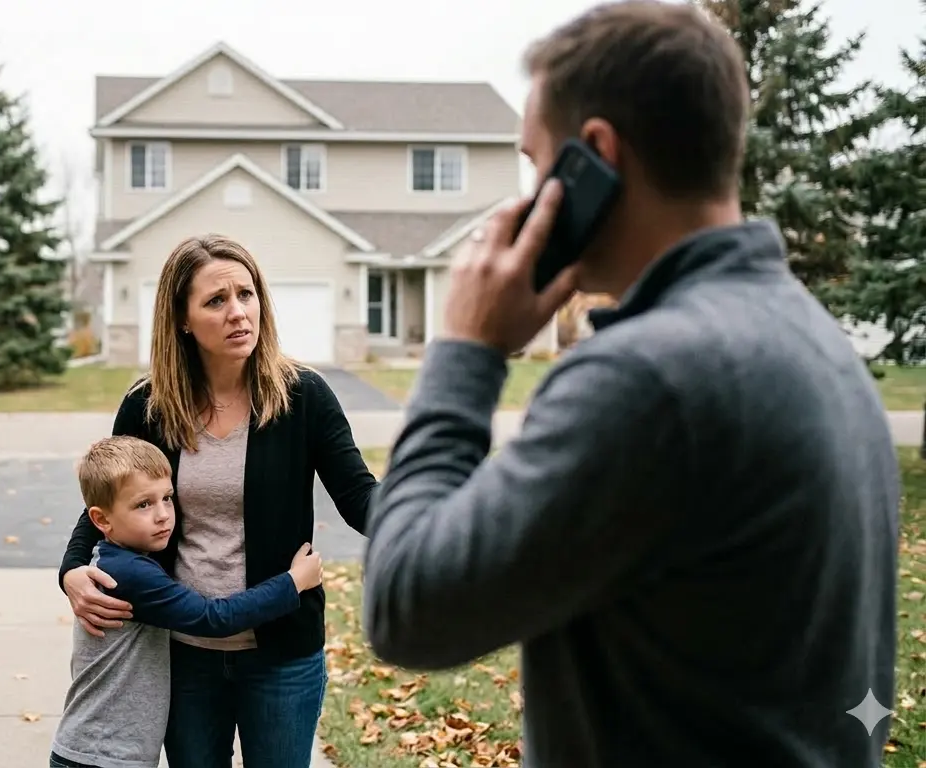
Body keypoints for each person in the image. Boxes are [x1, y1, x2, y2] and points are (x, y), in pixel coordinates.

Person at [361, 1, 900, 766]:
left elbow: (406, 604)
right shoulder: (813, 340)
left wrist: (465, 347)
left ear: (596, 159)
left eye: (534, 161)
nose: (525, 197)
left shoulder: (649, 379)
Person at [58, 234, 377, 768]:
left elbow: (359, 496)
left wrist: (434, 524)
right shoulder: (149, 405)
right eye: (215, 301)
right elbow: (107, 503)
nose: (238, 312)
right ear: (182, 319)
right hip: (182, 656)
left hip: (283, 655)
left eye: (246, 295)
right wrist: (71, 571)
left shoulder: (304, 396)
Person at [49, 435, 324, 768]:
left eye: (167, 498)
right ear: (102, 520)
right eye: (143, 505)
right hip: (101, 757)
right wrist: (293, 583)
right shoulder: (130, 574)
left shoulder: (120, 560)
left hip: (104, 754)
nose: (163, 514)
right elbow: (214, 618)